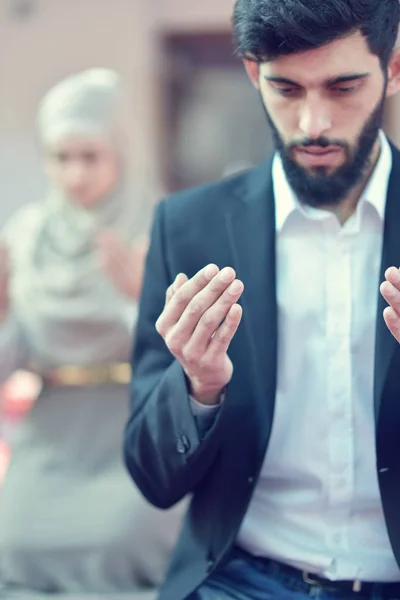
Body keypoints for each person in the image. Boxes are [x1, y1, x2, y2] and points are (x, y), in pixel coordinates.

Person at [124, 1, 400, 599]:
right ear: (253, 73)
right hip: (240, 577)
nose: (313, 123)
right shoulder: (187, 227)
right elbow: (152, 477)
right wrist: (197, 388)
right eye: (286, 88)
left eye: (343, 86)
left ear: (394, 67)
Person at [0, 68, 185, 597]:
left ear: (121, 153)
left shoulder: (162, 227)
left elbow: (197, 361)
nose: (74, 175)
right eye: (61, 157)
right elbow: (10, 363)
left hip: (137, 432)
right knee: (15, 545)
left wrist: (142, 304)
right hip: (51, 434)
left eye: (90, 157)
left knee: (123, 541)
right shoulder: (26, 236)